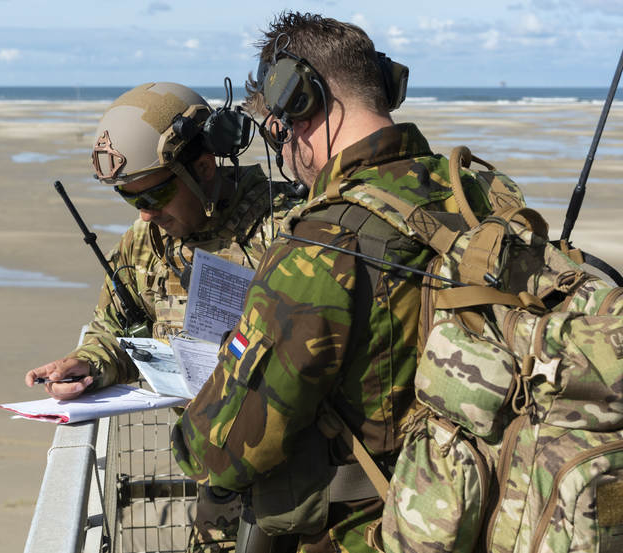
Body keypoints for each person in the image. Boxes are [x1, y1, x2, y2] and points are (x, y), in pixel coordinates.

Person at [171, 13, 499, 553]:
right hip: (488, 516)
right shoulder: (479, 192)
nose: (284, 158)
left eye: (276, 133)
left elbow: (224, 449)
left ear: (300, 104)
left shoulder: (322, 243)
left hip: (370, 533)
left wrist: (188, 432)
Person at [24, 81, 303, 552]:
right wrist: (88, 364)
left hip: (301, 487)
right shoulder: (145, 243)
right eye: (132, 201)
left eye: (153, 196)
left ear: (203, 166)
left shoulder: (287, 230)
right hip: (215, 485)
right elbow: (113, 330)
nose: (146, 215)